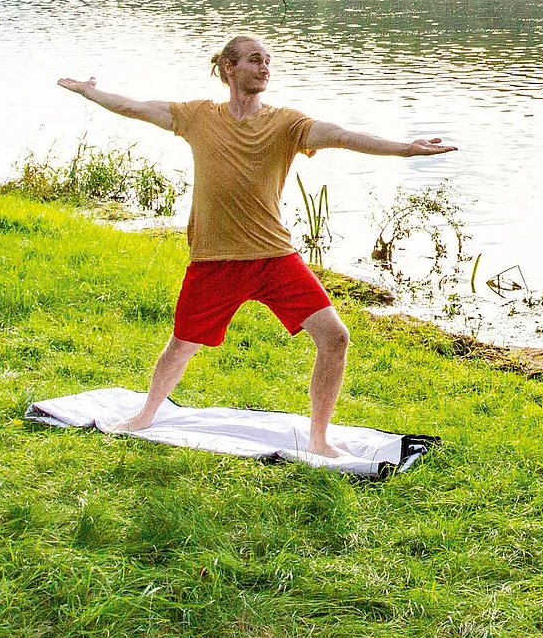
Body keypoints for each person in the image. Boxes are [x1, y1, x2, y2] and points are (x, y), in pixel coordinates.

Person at [58, 34, 454, 455]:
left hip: (274, 259)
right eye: (254, 60)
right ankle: (146, 414)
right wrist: (92, 92)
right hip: (215, 261)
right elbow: (137, 108)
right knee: (181, 345)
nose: (265, 67)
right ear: (229, 68)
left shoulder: (287, 124)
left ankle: (319, 439)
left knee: (335, 337)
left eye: (268, 61)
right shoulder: (197, 117)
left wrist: (405, 150)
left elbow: (342, 135)